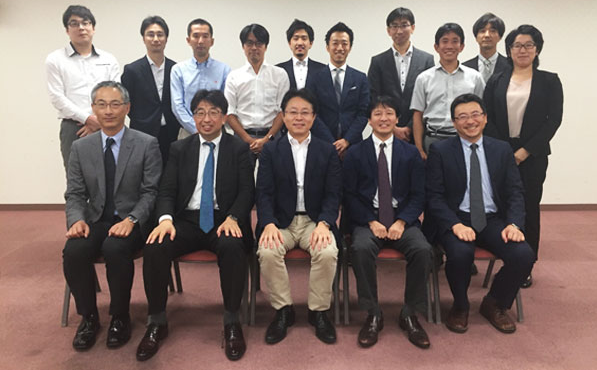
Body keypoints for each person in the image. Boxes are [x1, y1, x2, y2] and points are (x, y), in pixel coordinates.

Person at [136, 90, 254, 362]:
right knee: (155, 246)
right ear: (193, 117)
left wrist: (234, 218)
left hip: (223, 219)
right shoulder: (179, 148)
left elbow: (247, 191)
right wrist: (165, 220)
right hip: (186, 220)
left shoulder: (238, 148)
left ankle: (231, 321)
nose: (206, 119)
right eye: (200, 112)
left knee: (232, 246)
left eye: (213, 112)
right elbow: (166, 190)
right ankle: (157, 321)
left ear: (224, 117)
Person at [63, 81, 162, 351]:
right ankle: (89, 318)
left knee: (115, 248)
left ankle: (120, 316)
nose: (108, 111)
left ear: (127, 108)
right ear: (93, 108)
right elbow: (75, 193)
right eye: (102, 104)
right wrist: (77, 220)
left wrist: (132, 220)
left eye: (115, 104)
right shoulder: (81, 148)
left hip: (131, 220)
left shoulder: (146, 144)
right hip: (95, 219)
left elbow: (151, 192)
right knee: (73, 251)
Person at [425, 93, 535, 335]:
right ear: (454, 123)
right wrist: (454, 224)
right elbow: (434, 196)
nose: (470, 121)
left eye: (475, 114)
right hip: (457, 218)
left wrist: (514, 224)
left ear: (485, 118)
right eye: (462, 117)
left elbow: (515, 192)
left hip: (492, 219)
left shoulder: (502, 149)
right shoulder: (440, 150)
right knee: (460, 253)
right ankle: (460, 306)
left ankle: (495, 303)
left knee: (524, 255)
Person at [344, 96, 432, 349]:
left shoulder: (411, 153)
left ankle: (410, 313)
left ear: (397, 118)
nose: (384, 119)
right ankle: (373, 313)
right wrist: (371, 221)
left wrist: (402, 221)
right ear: (369, 120)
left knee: (423, 250)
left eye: (389, 113)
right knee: (360, 249)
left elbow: (419, 195)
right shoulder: (355, 153)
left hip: (402, 219)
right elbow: (349, 195)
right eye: (378, 114)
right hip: (368, 218)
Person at [256, 89, 341, 345]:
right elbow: (263, 192)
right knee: (268, 251)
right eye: (293, 112)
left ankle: (318, 312)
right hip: (280, 222)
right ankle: (283, 310)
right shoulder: (271, 150)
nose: (299, 117)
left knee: (327, 252)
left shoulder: (327, 151)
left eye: (305, 112)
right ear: (283, 116)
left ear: (314, 117)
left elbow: (333, 193)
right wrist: (268, 223)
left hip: (314, 222)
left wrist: (325, 223)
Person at [483, 25, 563, 288]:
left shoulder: (549, 81)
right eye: (517, 45)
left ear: (537, 49)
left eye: (529, 45)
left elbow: (553, 120)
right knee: (501, 205)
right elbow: (487, 116)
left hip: (533, 154)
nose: (523, 50)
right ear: (509, 50)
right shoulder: (497, 80)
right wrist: (505, 151)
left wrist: (525, 151)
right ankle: (506, 256)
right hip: (500, 151)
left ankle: (525, 265)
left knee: (528, 207)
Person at [46, 5, 120, 170]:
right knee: (76, 178)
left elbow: (116, 94)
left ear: (93, 28)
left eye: (85, 23)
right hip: (74, 128)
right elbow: (57, 97)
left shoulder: (108, 59)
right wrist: (87, 119)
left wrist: (99, 121)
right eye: (74, 23)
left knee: (111, 175)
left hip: (107, 124)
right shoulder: (55, 59)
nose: (81, 27)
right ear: (67, 30)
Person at [410, 23, 486, 160]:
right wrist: (419, 148)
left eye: (455, 41)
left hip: (466, 138)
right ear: (436, 47)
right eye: (444, 41)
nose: (449, 46)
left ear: (461, 46)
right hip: (433, 138)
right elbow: (417, 115)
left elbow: (482, 113)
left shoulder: (475, 77)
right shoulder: (424, 78)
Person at [225, 24, 290, 165]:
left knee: (274, 178)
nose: (254, 48)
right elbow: (230, 113)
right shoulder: (234, 76)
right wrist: (248, 140)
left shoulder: (279, 75)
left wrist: (267, 139)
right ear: (243, 46)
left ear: (266, 47)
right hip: (242, 138)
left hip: (272, 138)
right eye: (249, 43)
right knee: (241, 178)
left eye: (259, 43)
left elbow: (282, 111)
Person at [368, 7, 434, 142]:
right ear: (388, 30)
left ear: (413, 28)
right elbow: (373, 97)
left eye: (404, 25)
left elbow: (429, 97)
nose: (399, 31)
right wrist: (393, 127)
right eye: (394, 26)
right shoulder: (378, 61)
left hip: (418, 131)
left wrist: (410, 127)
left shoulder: (426, 60)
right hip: (385, 130)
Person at [121, 16, 179, 165]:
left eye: (160, 34)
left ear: (166, 38)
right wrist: (142, 119)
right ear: (143, 38)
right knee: (144, 172)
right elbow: (126, 103)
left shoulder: (176, 68)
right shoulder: (132, 70)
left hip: (172, 132)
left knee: (170, 172)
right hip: (142, 132)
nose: (155, 39)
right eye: (150, 34)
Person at [307, 22, 370, 158]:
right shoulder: (314, 78)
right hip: (322, 145)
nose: (340, 48)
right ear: (327, 47)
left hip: (352, 146)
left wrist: (346, 140)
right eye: (335, 43)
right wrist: (332, 143)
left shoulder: (360, 78)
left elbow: (363, 113)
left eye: (344, 43)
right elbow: (313, 113)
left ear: (350, 47)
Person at [170, 18, 231, 137]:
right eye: (196, 36)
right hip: (189, 132)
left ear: (212, 41)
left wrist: (212, 127)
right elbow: (177, 106)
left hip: (217, 132)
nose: (200, 41)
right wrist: (196, 128)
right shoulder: (178, 70)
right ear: (188, 40)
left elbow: (226, 104)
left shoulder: (224, 70)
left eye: (205, 36)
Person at [276, 19, 326, 90]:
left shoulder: (323, 70)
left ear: (311, 43)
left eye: (304, 38)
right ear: (289, 43)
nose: (300, 43)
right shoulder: (278, 70)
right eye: (296, 38)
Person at [463, 13, 511, 82]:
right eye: (482, 31)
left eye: (492, 31)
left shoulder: (511, 66)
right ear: (476, 37)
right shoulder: (465, 68)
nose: (487, 35)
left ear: (500, 37)